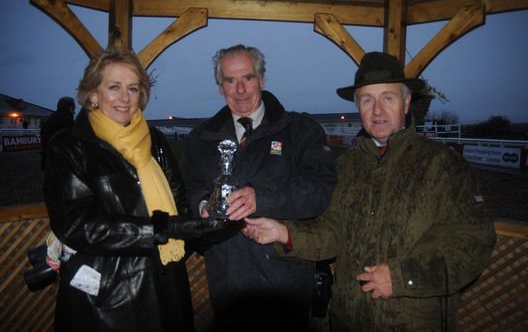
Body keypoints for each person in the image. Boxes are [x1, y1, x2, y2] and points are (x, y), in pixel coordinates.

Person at [242, 52, 497, 331]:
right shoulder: (347, 166)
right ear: (358, 107)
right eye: (367, 100)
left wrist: (402, 278)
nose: (377, 110)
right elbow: (332, 232)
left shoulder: (444, 166)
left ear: (407, 102)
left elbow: (473, 244)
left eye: (388, 98)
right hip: (349, 320)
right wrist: (284, 233)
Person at [44, 48, 227, 332]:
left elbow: (179, 203)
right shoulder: (69, 145)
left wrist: (210, 222)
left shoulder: (153, 139)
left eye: (132, 88)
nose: (125, 98)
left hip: (166, 281)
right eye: (114, 87)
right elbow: (77, 225)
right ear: (93, 93)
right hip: (109, 294)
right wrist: (163, 228)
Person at [180, 44, 337, 330]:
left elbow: (319, 190)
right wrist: (204, 206)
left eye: (248, 78)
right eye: (230, 80)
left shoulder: (300, 131)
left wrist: (260, 197)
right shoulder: (200, 139)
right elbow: (189, 186)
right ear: (220, 86)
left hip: (285, 286)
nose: (240, 89)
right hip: (227, 287)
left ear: (262, 80)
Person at [40, 96, 75, 169]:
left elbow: (43, 134)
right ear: (70, 107)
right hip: (61, 158)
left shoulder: (51, 117)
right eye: (73, 106)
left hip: (48, 156)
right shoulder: (67, 120)